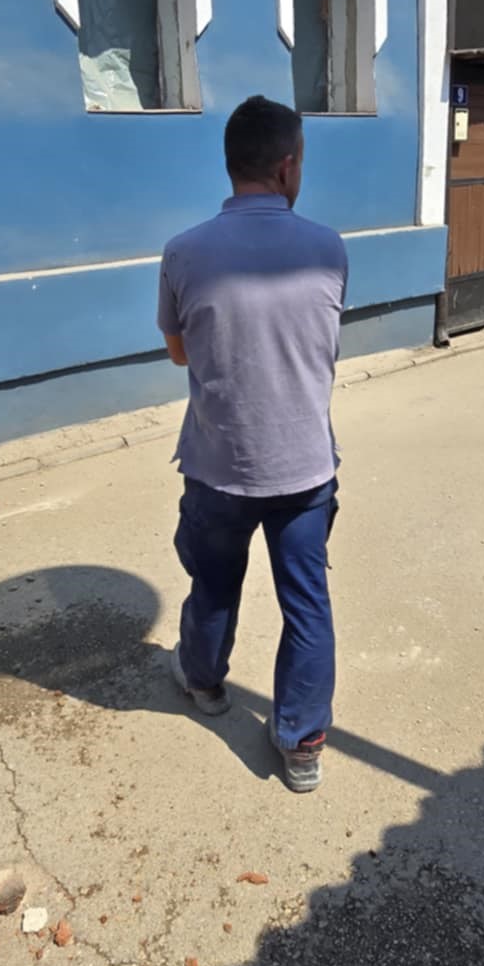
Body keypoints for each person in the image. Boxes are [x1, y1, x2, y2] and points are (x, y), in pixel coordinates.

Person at [157, 95, 348, 792]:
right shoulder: (328, 248)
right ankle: (302, 744)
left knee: (213, 584)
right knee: (307, 603)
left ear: (231, 164)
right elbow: (321, 343)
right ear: (288, 166)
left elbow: (180, 352)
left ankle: (205, 683)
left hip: (219, 465)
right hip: (305, 467)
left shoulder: (183, 251)